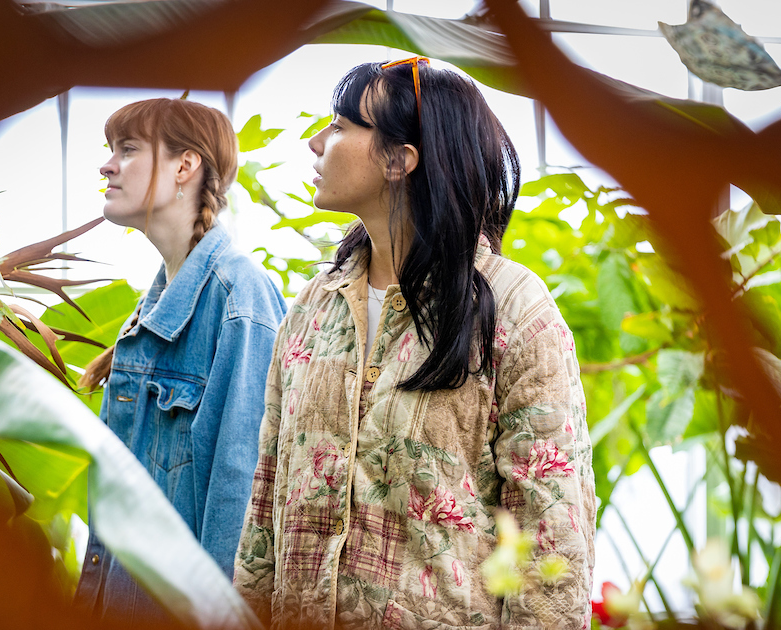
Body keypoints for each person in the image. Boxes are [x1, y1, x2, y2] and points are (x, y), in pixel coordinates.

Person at [233, 59, 595, 629]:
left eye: (341, 126)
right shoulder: (312, 308)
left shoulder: (515, 311)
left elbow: (552, 547)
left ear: (400, 160)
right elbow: (265, 505)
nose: (315, 142)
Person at [74, 98, 286, 623]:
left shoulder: (240, 300)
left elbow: (239, 507)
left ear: (185, 166)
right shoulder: (150, 312)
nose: (107, 165)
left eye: (127, 150)